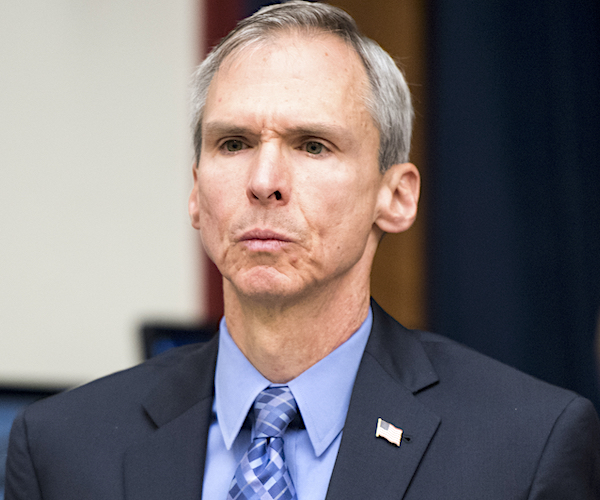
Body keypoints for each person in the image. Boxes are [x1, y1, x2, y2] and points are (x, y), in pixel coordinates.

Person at [5, 2, 600, 499]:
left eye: (312, 145)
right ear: (195, 193)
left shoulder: (523, 449)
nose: (264, 180)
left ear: (395, 196)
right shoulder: (62, 450)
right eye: (233, 143)